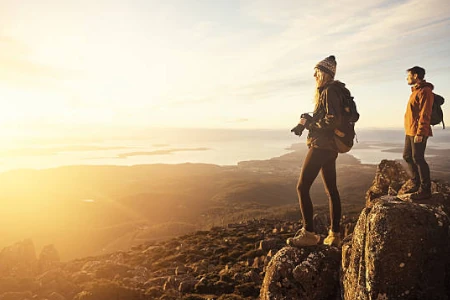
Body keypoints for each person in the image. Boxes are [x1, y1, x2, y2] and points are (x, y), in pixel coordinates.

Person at [288, 55, 348, 247]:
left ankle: (309, 233)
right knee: (331, 190)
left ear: (324, 73)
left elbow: (333, 120)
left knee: (302, 187)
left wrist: (311, 124)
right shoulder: (334, 91)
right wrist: (308, 119)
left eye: (316, 71)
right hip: (330, 147)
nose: (314, 75)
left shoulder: (329, 91)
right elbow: (330, 117)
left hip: (322, 145)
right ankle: (335, 234)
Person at [403, 66, 434, 200]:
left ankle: (425, 189)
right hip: (410, 130)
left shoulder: (425, 91)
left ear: (415, 76)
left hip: (418, 131)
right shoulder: (415, 91)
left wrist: (420, 132)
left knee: (418, 158)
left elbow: (425, 113)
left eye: (409, 75)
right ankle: (416, 183)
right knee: (407, 156)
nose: (407, 78)